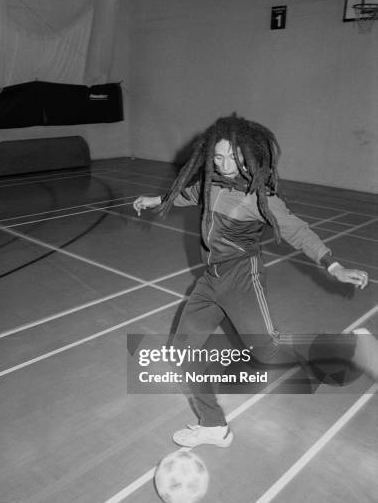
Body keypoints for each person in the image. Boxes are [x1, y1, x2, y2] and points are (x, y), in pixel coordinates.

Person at [133, 114, 369, 448]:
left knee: (268, 351)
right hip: (210, 282)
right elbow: (192, 194)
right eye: (218, 156)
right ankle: (213, 426)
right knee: (181, 352)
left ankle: (352, 354)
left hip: (243, 278)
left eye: (234, 157)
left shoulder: (260, 198)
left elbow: (297, 231)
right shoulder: (211, 183)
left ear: (250, 156)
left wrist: (334, 266)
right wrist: (158, 199)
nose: (226, 164)